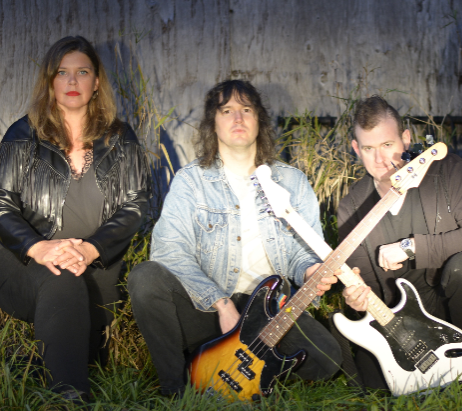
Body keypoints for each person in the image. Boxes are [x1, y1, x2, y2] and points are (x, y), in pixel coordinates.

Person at [128, 79, 341, 397]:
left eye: (246, 110)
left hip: (268, 310)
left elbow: (303, 252)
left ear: (259, 120)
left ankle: (247, 366)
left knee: (326, 360)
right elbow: (169, 251)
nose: (238, 118)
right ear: (213, 123)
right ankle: (176, 388)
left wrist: (311, 271)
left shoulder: (292, 181)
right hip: (209, 311)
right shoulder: (192, 181)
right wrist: (221, 303)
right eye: (226, 111)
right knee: (146, 277)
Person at [0, 36, 151, 402]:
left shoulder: (120, 138)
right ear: (50, 81)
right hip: (26, 263)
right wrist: (38, 248)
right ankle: (69, 400)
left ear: (96, 82)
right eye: (62, 72)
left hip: (97, 265)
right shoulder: (23, 134)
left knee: (76, 315)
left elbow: (136, 204)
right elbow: (1, 203)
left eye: (82, 72)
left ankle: (41, 370)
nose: (72, 81)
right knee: (62, 278)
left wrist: (90, 249)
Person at [338, 95, 462, 389]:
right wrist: (358, 300)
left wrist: (411, 247)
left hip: (450, 307)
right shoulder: (352, 206)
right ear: (356, 149)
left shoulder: (447, 172)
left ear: (406, 139)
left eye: (387, 145)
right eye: (368, 149)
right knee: (373, 384)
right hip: (399, 319)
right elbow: (366, 286)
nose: (379, 159)